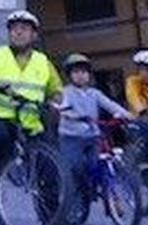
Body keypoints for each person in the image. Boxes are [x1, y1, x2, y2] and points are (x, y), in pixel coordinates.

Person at [0, 9, 62, 177]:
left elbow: (56, 91)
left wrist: (56, 104)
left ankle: (50, 201)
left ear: (34, 35)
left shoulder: (43, 62)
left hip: (30, 120)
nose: (19, 32)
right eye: (14, 29)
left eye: (24, 28)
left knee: (50, 163)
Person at [55, 53, 132, 197]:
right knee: (75, 166)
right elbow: (61, 107)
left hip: (93, 135)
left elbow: (110, 105)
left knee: (96, 163)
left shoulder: (94, 93)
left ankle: (98, 188)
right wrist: (73, 115)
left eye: (84, 72)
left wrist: (126, 115)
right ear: (69, 75)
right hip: (71, 137)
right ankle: (77, 193)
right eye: (76, 72)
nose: (81, 76)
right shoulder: (65, 92)